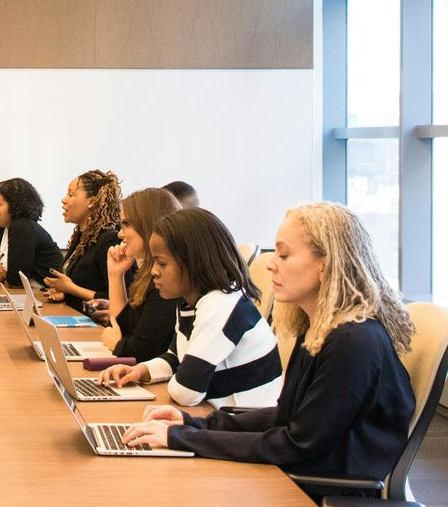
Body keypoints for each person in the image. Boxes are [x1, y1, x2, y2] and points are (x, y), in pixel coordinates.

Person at [120, 203, 415, 481]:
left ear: (325, 265)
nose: (272, 264)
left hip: (320, 501)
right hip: (301, 478)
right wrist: (191, 424)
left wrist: (183, 438)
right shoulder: (319, 330)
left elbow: (297, 445)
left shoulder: (353, 342)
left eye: (284, 255)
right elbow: (286, 418)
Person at [98, 207, 283, 408]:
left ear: (194, 262)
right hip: (217, 417)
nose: (153, 271)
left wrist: (178, 378)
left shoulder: (220, 305)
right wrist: (141, 371)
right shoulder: (190, 302)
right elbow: (176, 356)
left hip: (244, 425)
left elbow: (187, 392)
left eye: (162, 263)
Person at [96, 187, 182, 362]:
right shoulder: (147, 274)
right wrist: (115, 275)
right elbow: (125, 329)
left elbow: (140, 352)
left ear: (147, 225)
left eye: (126, 225)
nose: (120, 233)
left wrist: (116, 344)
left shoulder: (167, 280)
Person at [43, 169, 125, 312]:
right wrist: (64, 293)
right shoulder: (83, 236)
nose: (64, 199)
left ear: (92, 202)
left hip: (96, 325)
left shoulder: (109, 240)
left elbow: (116, 298)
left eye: (71, 194)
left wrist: (71, 289)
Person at [0, 177, 62, 287]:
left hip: (45, 293)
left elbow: (16, 281)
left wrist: (5, 274)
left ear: (14, 206)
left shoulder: (21, 227)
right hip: (29, 292)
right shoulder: (4, 227)